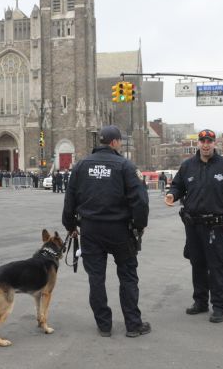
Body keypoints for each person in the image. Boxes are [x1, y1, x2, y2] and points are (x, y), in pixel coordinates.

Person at [63, 125, 151, 337]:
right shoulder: (125, 166)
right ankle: (133, 325)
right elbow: (140, 201)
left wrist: (70, 225)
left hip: (91, 229)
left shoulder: (81, 165)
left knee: (96, 278)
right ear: (114, 142)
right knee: (128, 276)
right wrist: (139, 226)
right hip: (120, 229)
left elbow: (70, 199)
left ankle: (104, 325)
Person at [165, 129, 223, 324]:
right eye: (202, 141)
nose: (206, 144)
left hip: (215, 225)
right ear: (199, 144)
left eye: (209, 141)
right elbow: (178, 186)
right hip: (193, 224)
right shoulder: (188, 166)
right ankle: (200, 301)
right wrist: (172, 194)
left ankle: (219, 306)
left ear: (214, 143)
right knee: (197, 264)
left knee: (216, 266)